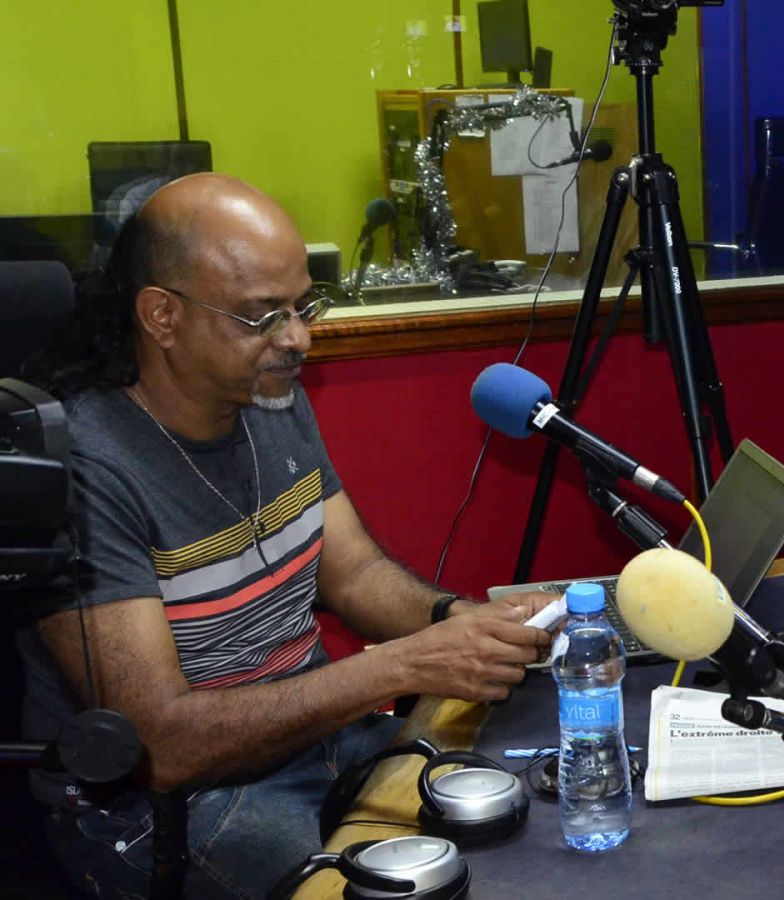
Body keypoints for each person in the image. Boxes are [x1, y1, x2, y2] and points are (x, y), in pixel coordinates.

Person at [16, 173, 557, 898]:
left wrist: (459, 621)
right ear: (162, 315)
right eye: (262, 316)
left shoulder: (267, 395)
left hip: (316, 737)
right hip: (166, 806)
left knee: (530, 814)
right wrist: (402, 667)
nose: (297, 337)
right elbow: (162, 746)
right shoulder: (87, 468)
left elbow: (355, 573)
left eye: (303, 306)